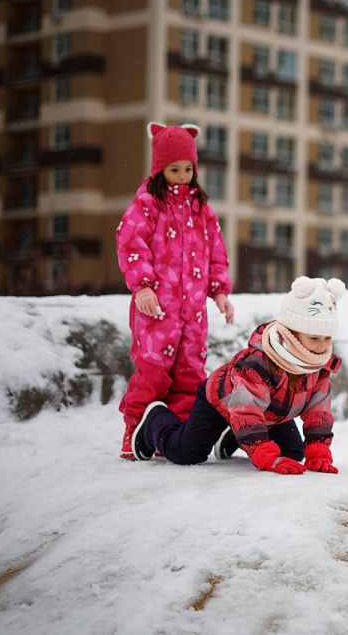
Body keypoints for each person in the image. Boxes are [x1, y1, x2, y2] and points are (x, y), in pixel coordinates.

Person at [131, 277, 345, 475]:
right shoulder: (259, 364)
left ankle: (236, 435)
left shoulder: (319, 367)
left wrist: (318, 449)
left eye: (327, 338)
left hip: (270, 413)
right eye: (314, 338)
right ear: (291, 333)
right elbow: (246, 411)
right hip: (222, 401)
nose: (322, 346)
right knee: (186, 453)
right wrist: (263, 454)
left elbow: (319, 409)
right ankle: (155, 420)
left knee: (292, 453)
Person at [115, 121, 234, 460]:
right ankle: (135, 427)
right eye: (174, 169)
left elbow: (216, 253)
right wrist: (143, 287)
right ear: (159, 169)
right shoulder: (149, 204)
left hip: (193, 314)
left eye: (187, 169)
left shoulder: (202, 210)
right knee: (152, 371)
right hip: (157, 311)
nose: (182, 175)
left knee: (190, 374)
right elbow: (130, 242)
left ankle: (174, 433)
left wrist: (220, 292)